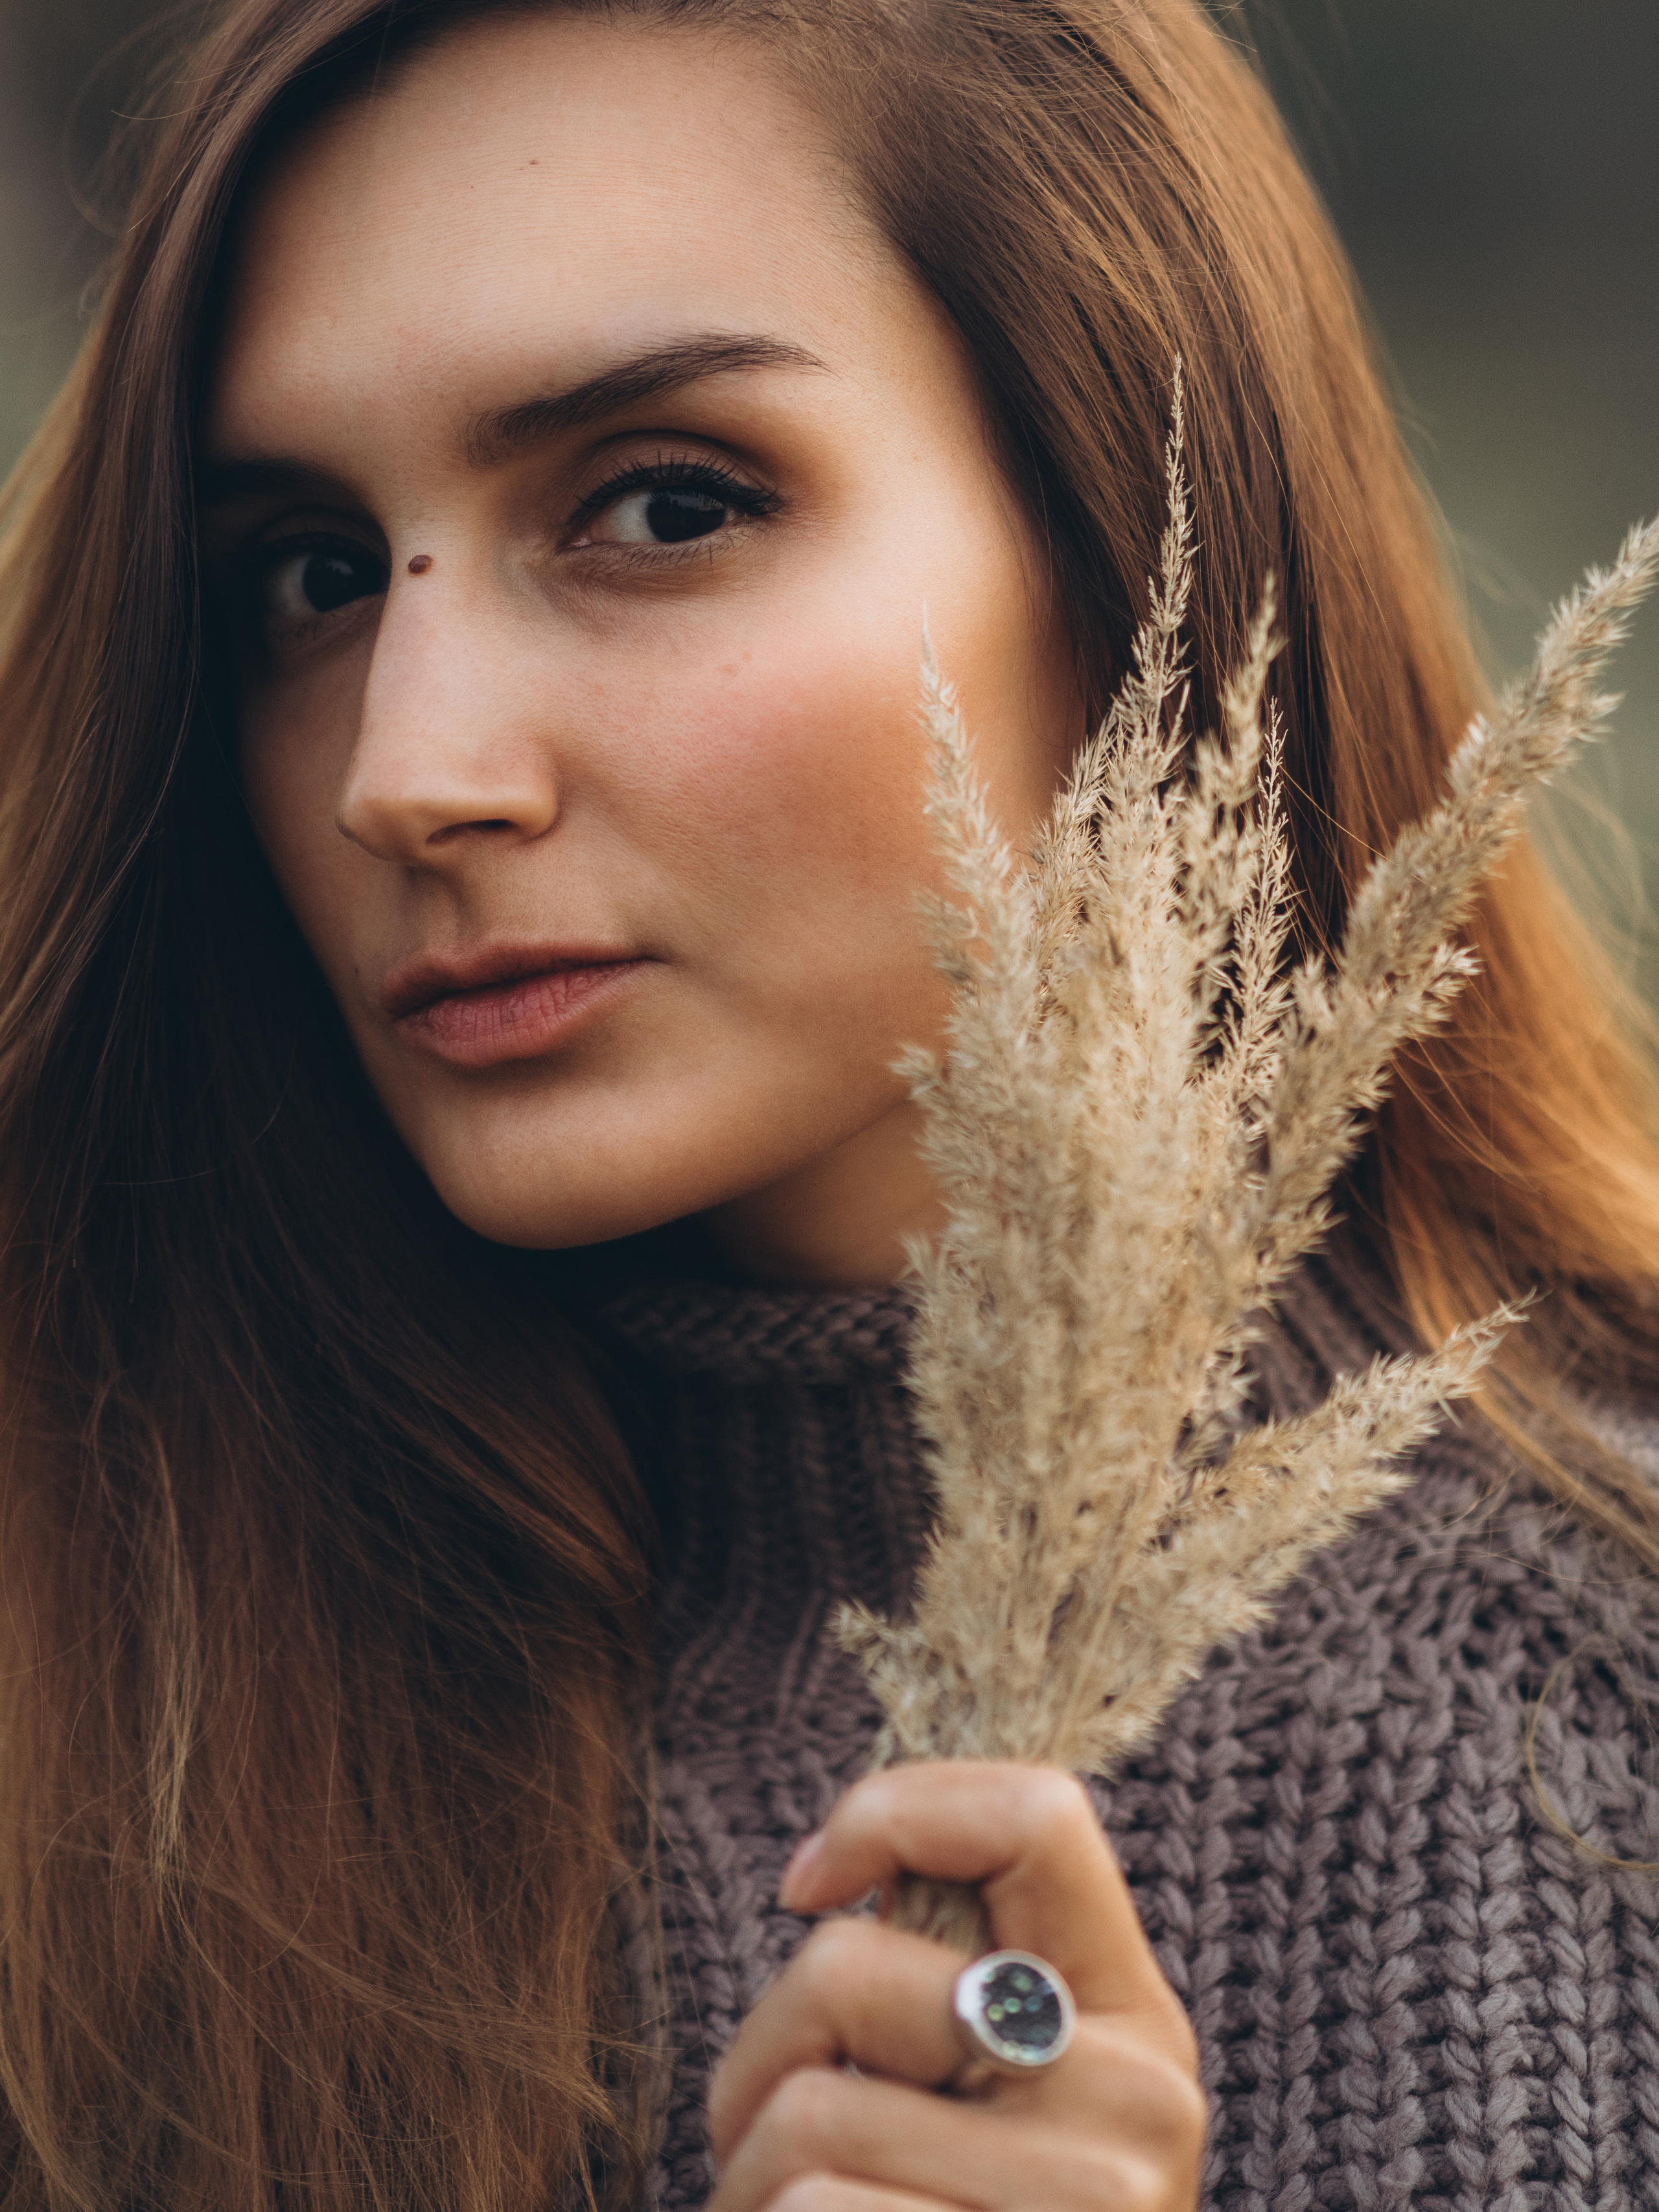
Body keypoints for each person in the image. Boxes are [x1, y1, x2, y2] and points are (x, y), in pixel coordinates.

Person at [1, 1, 1656, 2206]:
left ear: (1145, 547)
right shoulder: (107, 1693)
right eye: (310, 572)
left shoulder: (1591, 1695)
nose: (408, 768)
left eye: (661, 505)